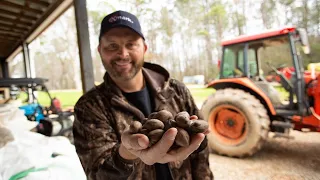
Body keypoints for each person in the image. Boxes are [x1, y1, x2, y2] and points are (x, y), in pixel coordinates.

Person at [73, 10, 213, 180]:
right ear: (100, 50)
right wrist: (126, 154)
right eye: (112, 46)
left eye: (131, 44)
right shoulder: (89, 107)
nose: (123, 54)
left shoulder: (177, 90)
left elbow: (201, 154)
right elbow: (97, 174)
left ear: (144, 48)